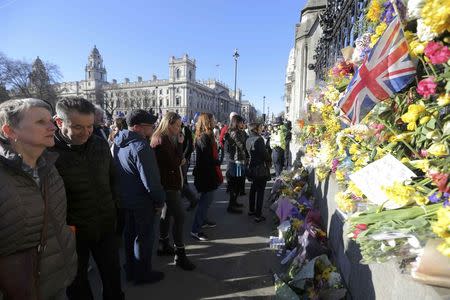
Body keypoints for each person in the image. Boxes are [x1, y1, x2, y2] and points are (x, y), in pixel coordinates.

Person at [0, 98, 77, 300]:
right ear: (10, 131)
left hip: (57, 281)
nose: (52, 126)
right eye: (40, 122)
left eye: (50, 120)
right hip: (18, 289)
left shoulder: (49, 168)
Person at [52, 97, 124, 300]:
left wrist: (117, 210)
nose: (85, 133)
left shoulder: (100, 144)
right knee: (78, 286)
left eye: (90, 126)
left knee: (113, 279)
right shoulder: (48, 153)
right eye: (77, 127)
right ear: (59, 122)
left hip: (105, 227)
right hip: (73, 236)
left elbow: (113, 180)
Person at [113, 109, 166, 283]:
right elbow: (151, 182)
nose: (153, 128)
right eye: (149, 125)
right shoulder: (142, 147)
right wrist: (160, 201)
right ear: (137, 127)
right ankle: (142, 274)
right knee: (143, 239)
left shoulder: (118, 142)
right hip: (142, 202)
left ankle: (131, 270)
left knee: (130, 237)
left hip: (126, 199)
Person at [150, 112, 196, 271]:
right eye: (177, 125)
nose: (179, 128)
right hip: (168, 184)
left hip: (169, 182)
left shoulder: (165, 137)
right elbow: (174, 161)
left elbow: (174, 159)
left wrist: (180, 146)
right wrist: (181, 153)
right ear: (168, 124)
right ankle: (180, 254)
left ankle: (163, 243)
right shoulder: (162, 138)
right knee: (180, 216)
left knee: (167, 213)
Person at [191, 113, 223, 241]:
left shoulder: (206, 136)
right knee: (205, 201)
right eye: (213, 119)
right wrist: (217, 161)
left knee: (206, 200)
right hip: (205, 174)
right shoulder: (204, 137)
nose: (215, 121)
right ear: (207, 122)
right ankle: (195, 230)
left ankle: (202, 221)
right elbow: (206, 158)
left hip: (207, 173)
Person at [246, 122, 271, 222]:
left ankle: (251, 210)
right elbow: (264, 154)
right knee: (260, 191)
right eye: (260, 127)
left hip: (252, 167)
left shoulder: (248, 139)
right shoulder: (259, 139)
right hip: (260, 168)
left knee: (253, 189)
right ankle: (258, 214)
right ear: (255, 129)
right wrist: (269, 159)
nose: (262, 129)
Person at [224, 115, 248, 214]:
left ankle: (234, 202)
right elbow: (242, 145)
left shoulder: (239, 132)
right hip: (236, 161)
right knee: (236, 183)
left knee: (238, 183)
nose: (243, 124)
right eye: (241, 122)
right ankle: (231, 206)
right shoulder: (234, 133)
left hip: (239, 160)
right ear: (237, 123)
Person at [180, 121, 198, 211]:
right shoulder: (177, 131)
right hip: (181, 158)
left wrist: (184, 156)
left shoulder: (185, 130)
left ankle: (192, 199)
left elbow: (189, 145)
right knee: (183, 179)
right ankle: (189, 197)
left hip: (183, 159)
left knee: (182, 180)